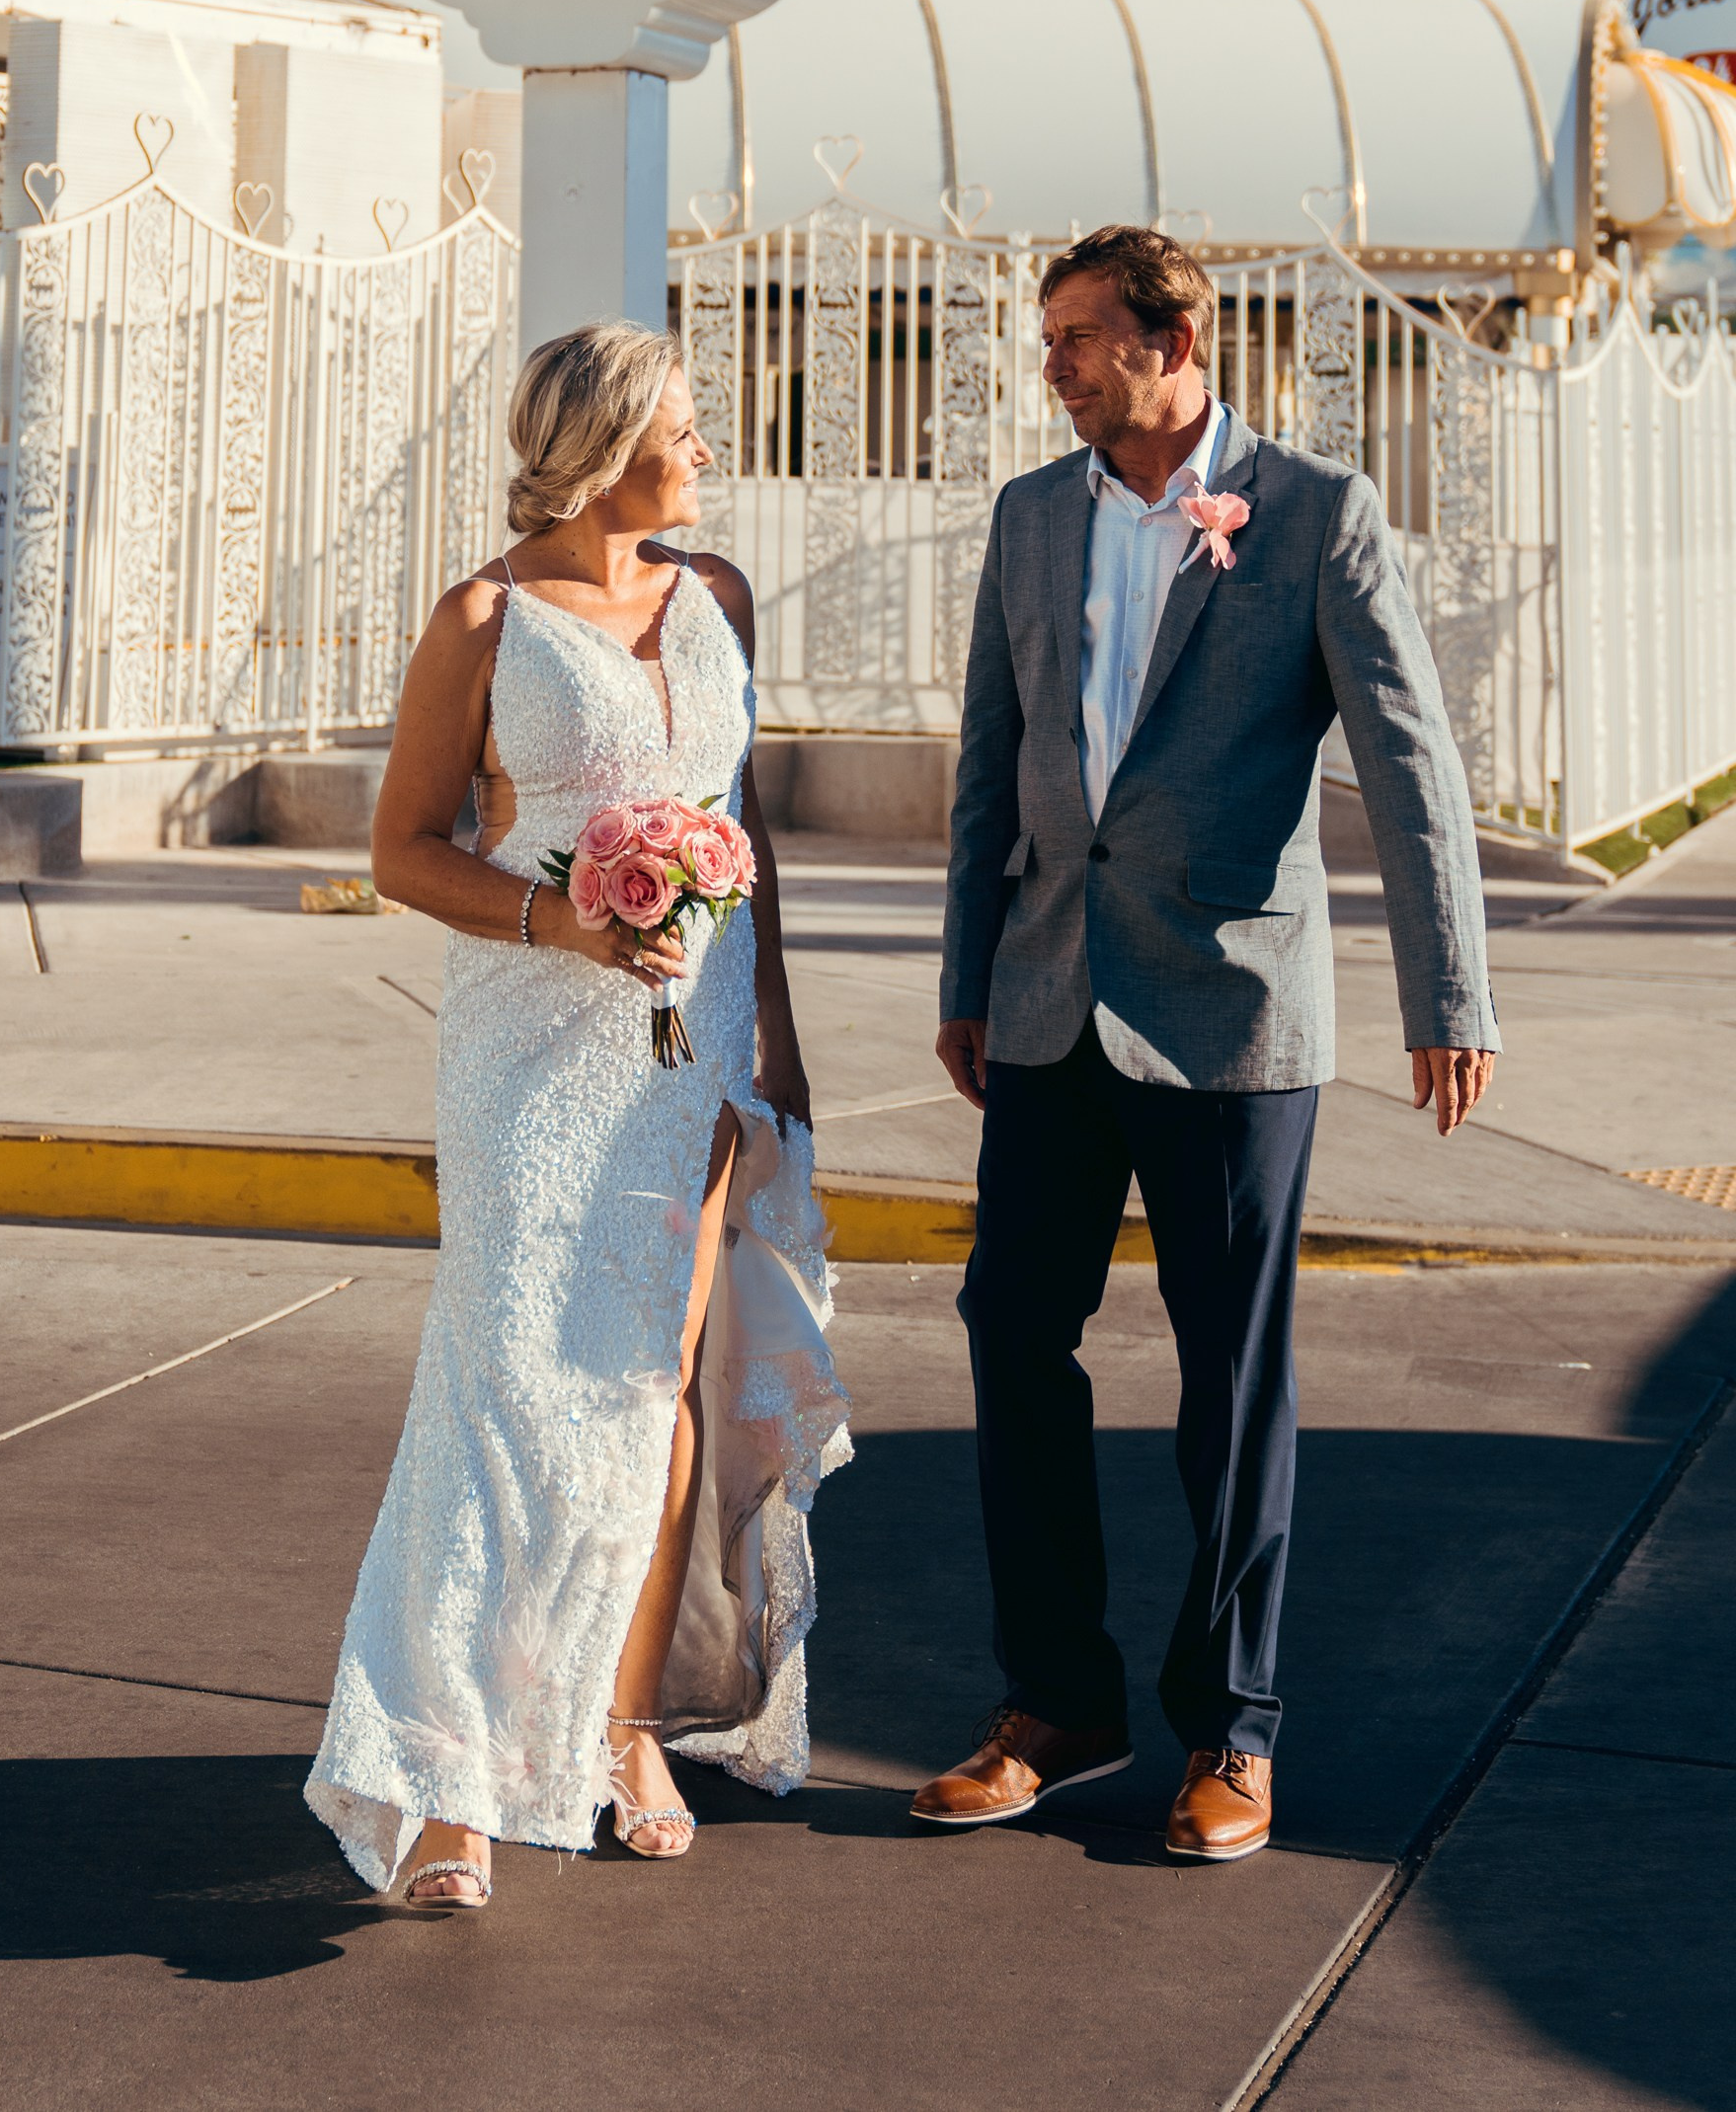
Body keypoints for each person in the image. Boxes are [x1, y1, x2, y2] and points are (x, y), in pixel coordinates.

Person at [914, 226, 1499, 1863]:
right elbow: (991, 757)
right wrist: (969, 976)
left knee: (1232, 1378)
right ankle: (1056, 1700)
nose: (1055, 366)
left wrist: (1447, 996)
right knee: (1012, 1330)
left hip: (1235, 1011)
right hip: (1045, 1000)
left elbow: (1408, 758)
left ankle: (1229, 1730)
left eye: (1082, 338)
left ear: (1184, 340)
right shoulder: (1035, 517)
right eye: (1049, 340)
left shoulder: (1313, 515)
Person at [306, 322, 849, 1909]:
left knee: (653, 1393)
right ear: (607, 442)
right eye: (684, 425)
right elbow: (405, 848)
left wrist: (781, 1048)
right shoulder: (483, 618)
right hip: (528, 1052)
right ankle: (447, 1779)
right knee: (499, 1390)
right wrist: (567, 924)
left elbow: (747, 835)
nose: (705, 448)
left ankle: (620, 1729)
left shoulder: (722, 600)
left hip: (696, 1058)